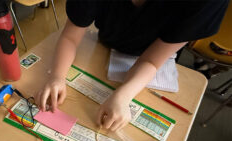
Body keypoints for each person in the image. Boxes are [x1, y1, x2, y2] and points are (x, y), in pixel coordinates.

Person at [35, 0, 229, 131]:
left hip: (157, 52)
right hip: (105, 43)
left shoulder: (206, 3)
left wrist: (123, 96)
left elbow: (152, 60)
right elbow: (70, 36)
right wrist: (57, 76)